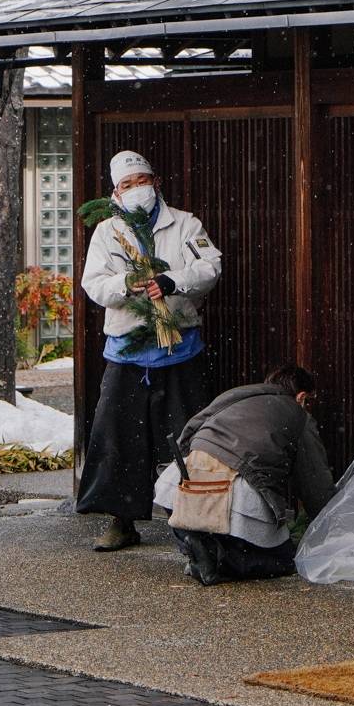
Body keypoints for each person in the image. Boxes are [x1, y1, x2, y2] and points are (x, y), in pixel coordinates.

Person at [76, 150, 222, 551]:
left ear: (156, 183)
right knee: (118, 438)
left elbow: (210, 266)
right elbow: (93, 283)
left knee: (189, 437)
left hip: (180, 350)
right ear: (115, 193)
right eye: (127, 185)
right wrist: (126, 285)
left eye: (142, 181)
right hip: (126, 351)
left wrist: (173, 281)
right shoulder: (107, 231)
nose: (136, 189)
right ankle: (121, 521)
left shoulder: (185, 224)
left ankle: (197, 522)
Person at [158, 364, 336, 585]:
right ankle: (219, 558)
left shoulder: (235, 395)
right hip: (238, 487)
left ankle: (197, 544)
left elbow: (188, 432)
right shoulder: (298, 415)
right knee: (284, 560)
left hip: (178, 480)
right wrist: (331, 523)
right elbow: (315, 483)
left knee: (201, 511)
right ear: (301, 397)